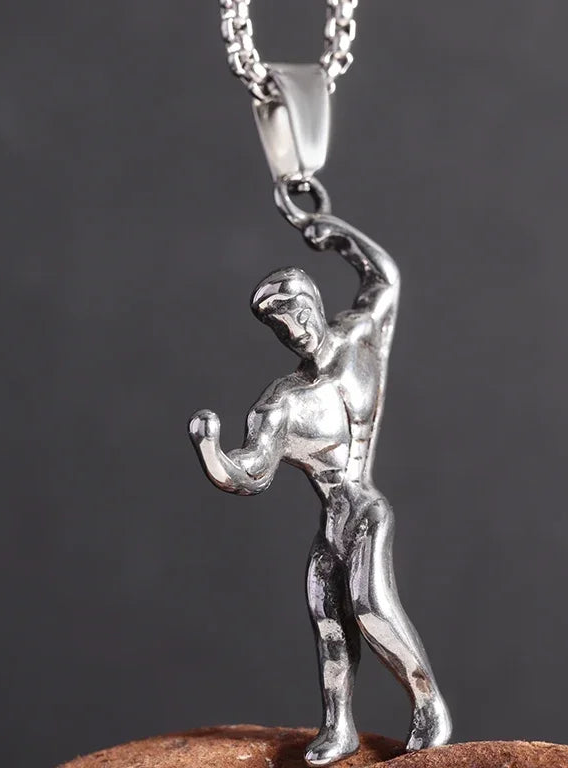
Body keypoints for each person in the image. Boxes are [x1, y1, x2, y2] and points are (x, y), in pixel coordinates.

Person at [189, 210, 451, 766]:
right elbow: (251, 473)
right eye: (282, 327)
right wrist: (211, 452)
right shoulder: (281, 405)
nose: (297, 331)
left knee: (372, 608)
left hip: (366, 509)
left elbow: (384, 279)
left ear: (315, 303)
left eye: (300, 315)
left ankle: (428, 705)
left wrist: (335, 233)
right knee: (331, 628)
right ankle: (339, 728)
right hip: (331, 523)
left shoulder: (361, 337)